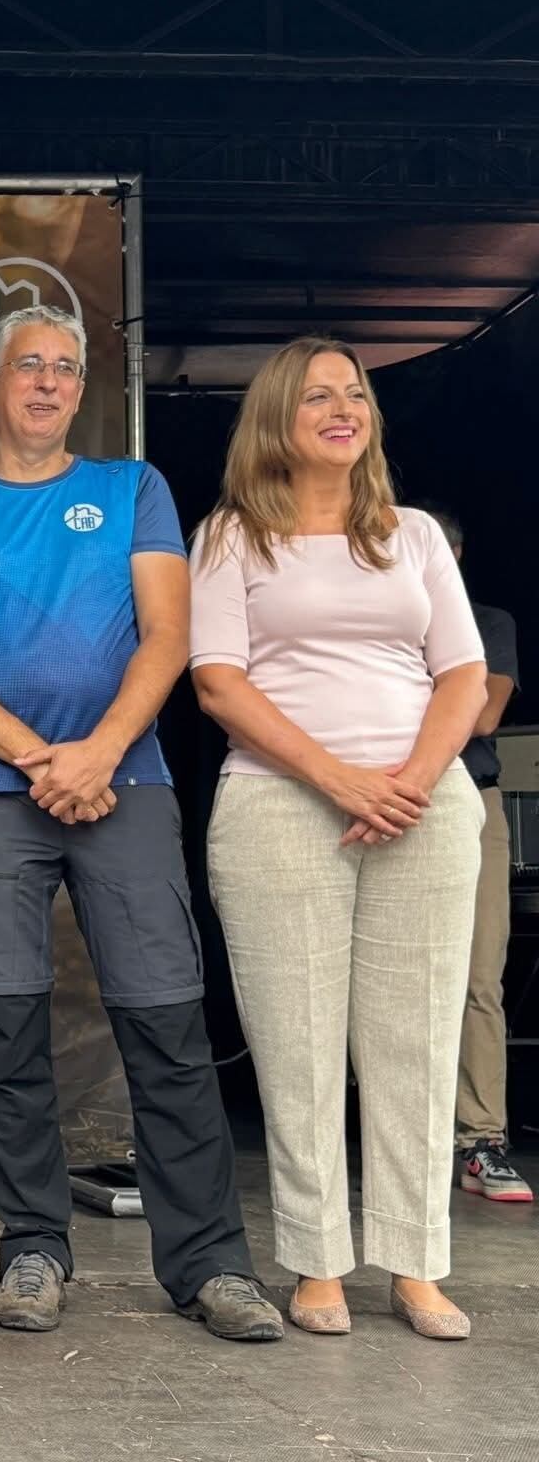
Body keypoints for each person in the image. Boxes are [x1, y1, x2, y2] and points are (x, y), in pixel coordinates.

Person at [0, 303, 280, 1341]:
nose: (47, 382)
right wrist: (39, 760)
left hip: (125, 787)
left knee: (164, 1026)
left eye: (65, 368)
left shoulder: (130, 489)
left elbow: (166, 636)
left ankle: (207, 1264)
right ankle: (30, 1249)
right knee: (7, 1032)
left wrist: (99, 753)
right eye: (28, 366)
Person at [191, 337, 487, 1340]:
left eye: (353, 394)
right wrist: (335, 778)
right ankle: (317, 1264)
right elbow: (216, 681)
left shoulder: (408, 535)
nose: (340, 408)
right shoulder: (231, 537)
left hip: (421, 808)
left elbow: (460, 674)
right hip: (281, 806)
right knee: (297, 1045)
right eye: (316, 395)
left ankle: (413, 1265)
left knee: (414, 1044)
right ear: (276, 417)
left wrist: (404, 783)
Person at [424, 511, 530, 1203]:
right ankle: (401, 1136)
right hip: (372, 795)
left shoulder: (488, 622)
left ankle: (480, 1140)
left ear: (452, 554)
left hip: (468, 795)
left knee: (476, 977)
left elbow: (483, 715)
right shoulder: (374, 621)